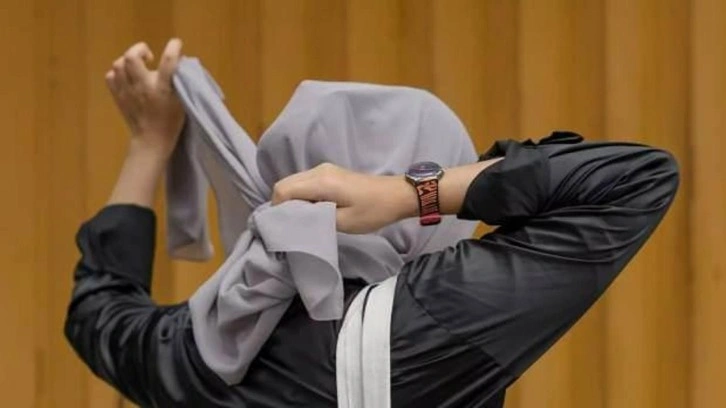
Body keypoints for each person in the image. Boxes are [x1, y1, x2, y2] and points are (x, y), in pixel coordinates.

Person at [65, 39, 679, 407]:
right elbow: (636, 178)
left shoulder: (208, 339)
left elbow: (97, 310)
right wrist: (416, 193)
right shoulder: (425, 322)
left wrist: (150, 143)